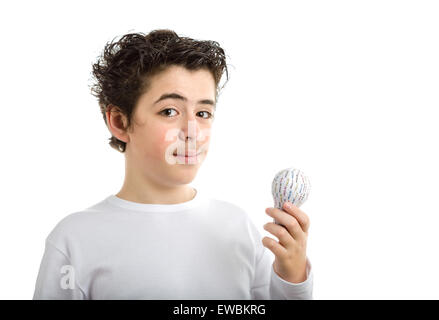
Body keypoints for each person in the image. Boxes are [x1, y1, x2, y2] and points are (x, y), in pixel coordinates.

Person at [32, 29, 314, 299]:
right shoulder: (74, 240)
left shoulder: (238, 227)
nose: (193, 131)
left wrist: (292, 277)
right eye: (169, 111)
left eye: (203, 112)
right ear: (120, 121)